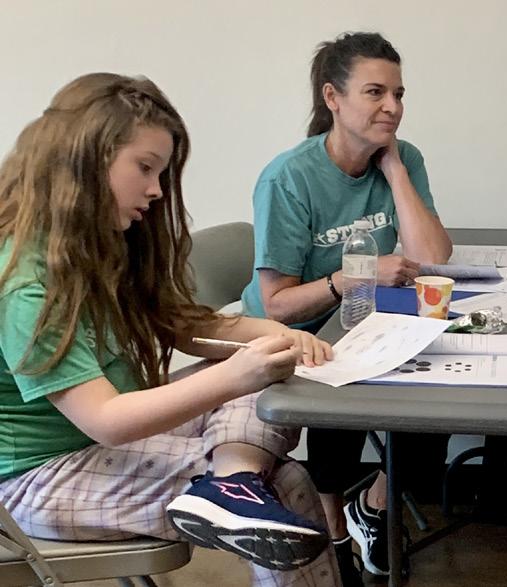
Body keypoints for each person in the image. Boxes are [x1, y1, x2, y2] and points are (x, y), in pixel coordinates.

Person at [0, 73, 343, 586]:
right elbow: (107, 420)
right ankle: (235, 485)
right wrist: (236, 374)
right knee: (286, 480)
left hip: (101, 442)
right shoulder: (26, 282)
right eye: (145, 168)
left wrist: (278, 338)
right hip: (36, 479)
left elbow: (182, 325)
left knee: (271, 384)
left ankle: (232, 483)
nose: (156, 190)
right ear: (88, 158)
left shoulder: (98, 244)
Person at [239, 32, 453, 580]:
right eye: (375, 92)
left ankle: (373, 507)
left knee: (440, 397)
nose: (393, 107)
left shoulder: (404, 158)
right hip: (293, 333)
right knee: (342, 382)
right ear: (333, 97)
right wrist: (355, 276)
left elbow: (432, 257)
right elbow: (277, 305)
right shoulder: (289, 178)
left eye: (399, 94)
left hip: (366, 321)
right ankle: (335, 533)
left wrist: (395, 169)